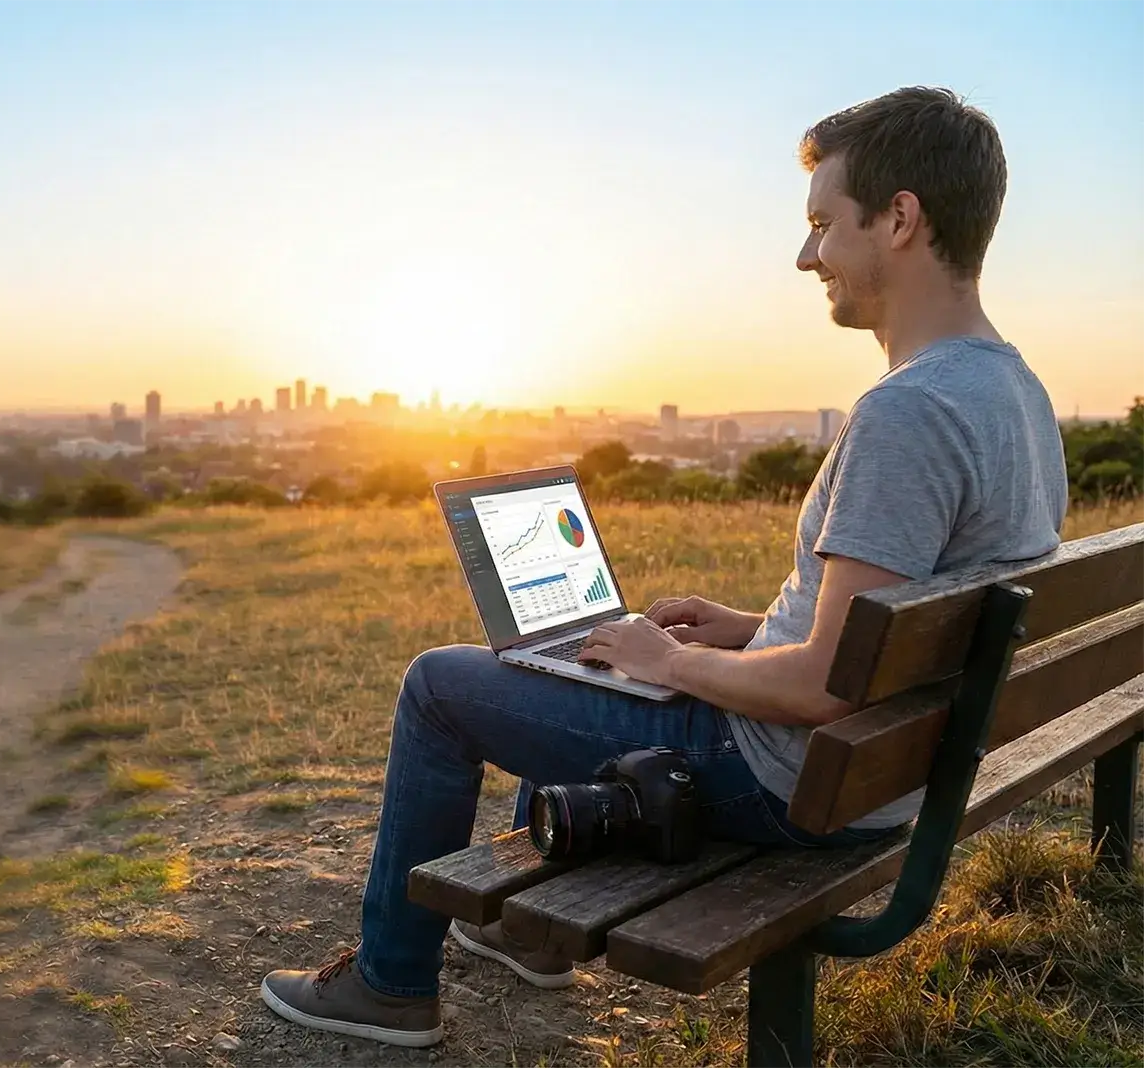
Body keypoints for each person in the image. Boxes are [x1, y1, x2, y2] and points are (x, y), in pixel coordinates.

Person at [261, 86, 1070, 1048]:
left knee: (439, 685)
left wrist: (673, 664)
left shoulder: (907, 412)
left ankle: (390, 984)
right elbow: (869, 635)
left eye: (822, 225)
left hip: (790, 784)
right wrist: (740, 633)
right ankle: (535, 943)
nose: (807, 256)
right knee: (585, 653)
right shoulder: (1017, 391)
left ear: (900, 219)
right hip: (874, 779)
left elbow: (821, 688)